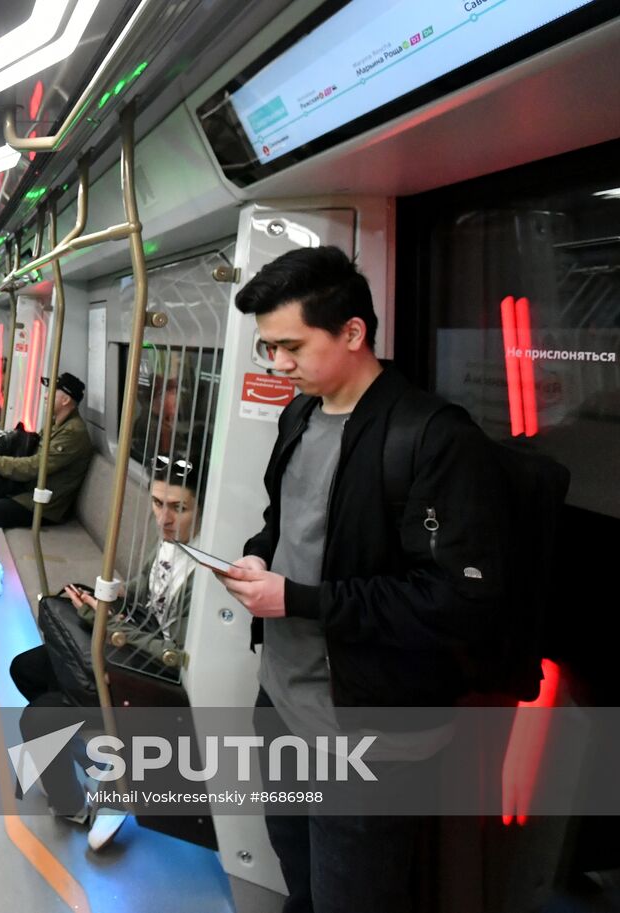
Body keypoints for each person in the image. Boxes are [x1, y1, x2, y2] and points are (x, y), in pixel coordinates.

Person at [215, 246, 507, 913]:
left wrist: (295, 598)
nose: (278, 365)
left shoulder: (431, 438)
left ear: (352, 332)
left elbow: (454, 600)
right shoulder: (301, 416)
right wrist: (260, 557)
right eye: (268, 348)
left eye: (291, 346)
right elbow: (281, 521)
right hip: (282, 704)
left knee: (355, 894)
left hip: (367, 734)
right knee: (302, 879)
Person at [10, 443, 206, 850]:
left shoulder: (204, 574)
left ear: (201, 510)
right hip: (131, 645)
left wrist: (103, 620)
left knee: (37, 719)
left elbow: (174, 655)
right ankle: (101, 750)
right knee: (27, 667)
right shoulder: (170, 544)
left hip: (156, 675)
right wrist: (107, 597)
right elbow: (144, 589)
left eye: (179, 508)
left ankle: (77, 802)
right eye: (156, 503)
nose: (164, 519)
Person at [0, 372, 93, 599]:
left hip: (44, 504)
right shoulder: (57, 424)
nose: (46, 396)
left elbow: (35, 466)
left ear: (66, 399)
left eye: (52, 392)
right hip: (30, 491)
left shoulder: (73, 433)